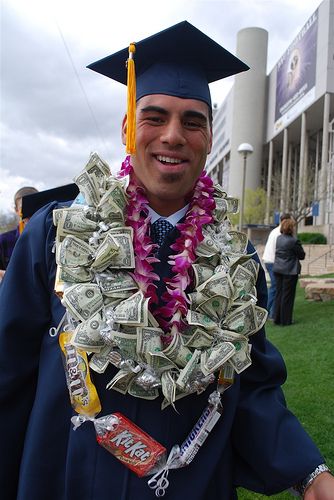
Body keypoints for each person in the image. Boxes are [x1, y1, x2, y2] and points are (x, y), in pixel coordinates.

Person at [0, 21, 333, 500]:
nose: (173, 135)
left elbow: (253, 388)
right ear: (126, 129)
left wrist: (309, 472)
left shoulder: (236, 261)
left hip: (190, 486)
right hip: (66, 478)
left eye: (193, 121)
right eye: (154, 117)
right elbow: (8, 379)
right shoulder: (55, 235)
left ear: (209, 137)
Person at [0, 186, 38, 281]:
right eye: (23, 207)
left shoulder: (51, 238)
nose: (29, 211)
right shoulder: (3, 240)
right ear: (16, 210)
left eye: (33, 206)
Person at [273, 218, 306, 326]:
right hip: (289, 271)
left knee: (279, 294)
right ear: (291, 228)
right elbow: (302, 256)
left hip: (278, 269)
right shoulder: (294, 241)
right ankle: (285, 320)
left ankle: (276, 318)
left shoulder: (278, 238)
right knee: (287, 296)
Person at [262, 213, 292, 319]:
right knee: (275, 287)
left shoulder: (275, 231)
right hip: (272, 261)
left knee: (276, 287)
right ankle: (267, 311)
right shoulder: (279, 233)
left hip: (269, 260)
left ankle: (271, 312)